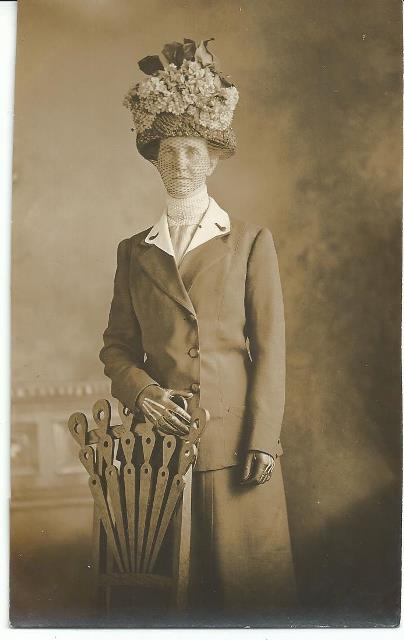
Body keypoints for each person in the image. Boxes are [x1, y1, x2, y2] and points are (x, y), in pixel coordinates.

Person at [99, 38, 296, 621]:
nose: (180, 163)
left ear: (211, 158)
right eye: (168, 151)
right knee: (170, 605)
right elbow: (116, 349)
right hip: (156, 451)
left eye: (191, 151)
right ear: (155, 160)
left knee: (244, 599)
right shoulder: (135, 252)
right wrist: (145, 393)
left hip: (234, 447)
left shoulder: (249, 241)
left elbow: (272, 348)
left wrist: (262, 438)